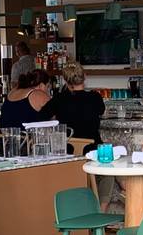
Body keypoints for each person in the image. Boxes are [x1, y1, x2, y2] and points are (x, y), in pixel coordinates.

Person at [42, 62, 113, 209]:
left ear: (65, 81)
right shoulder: (94, 97)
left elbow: (42, 115)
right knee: (108, 170)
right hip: (92, 153)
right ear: (84, 77)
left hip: (68, 154)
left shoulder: (59, 99)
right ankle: (102, 210)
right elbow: (101, 111)